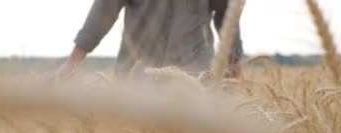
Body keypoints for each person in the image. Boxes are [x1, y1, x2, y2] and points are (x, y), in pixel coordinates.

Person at [57, 0, 244, 79]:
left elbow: (227, 11)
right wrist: (72, 63)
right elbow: (104, 11)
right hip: (137, 76)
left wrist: (234, 59)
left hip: (194, 79)